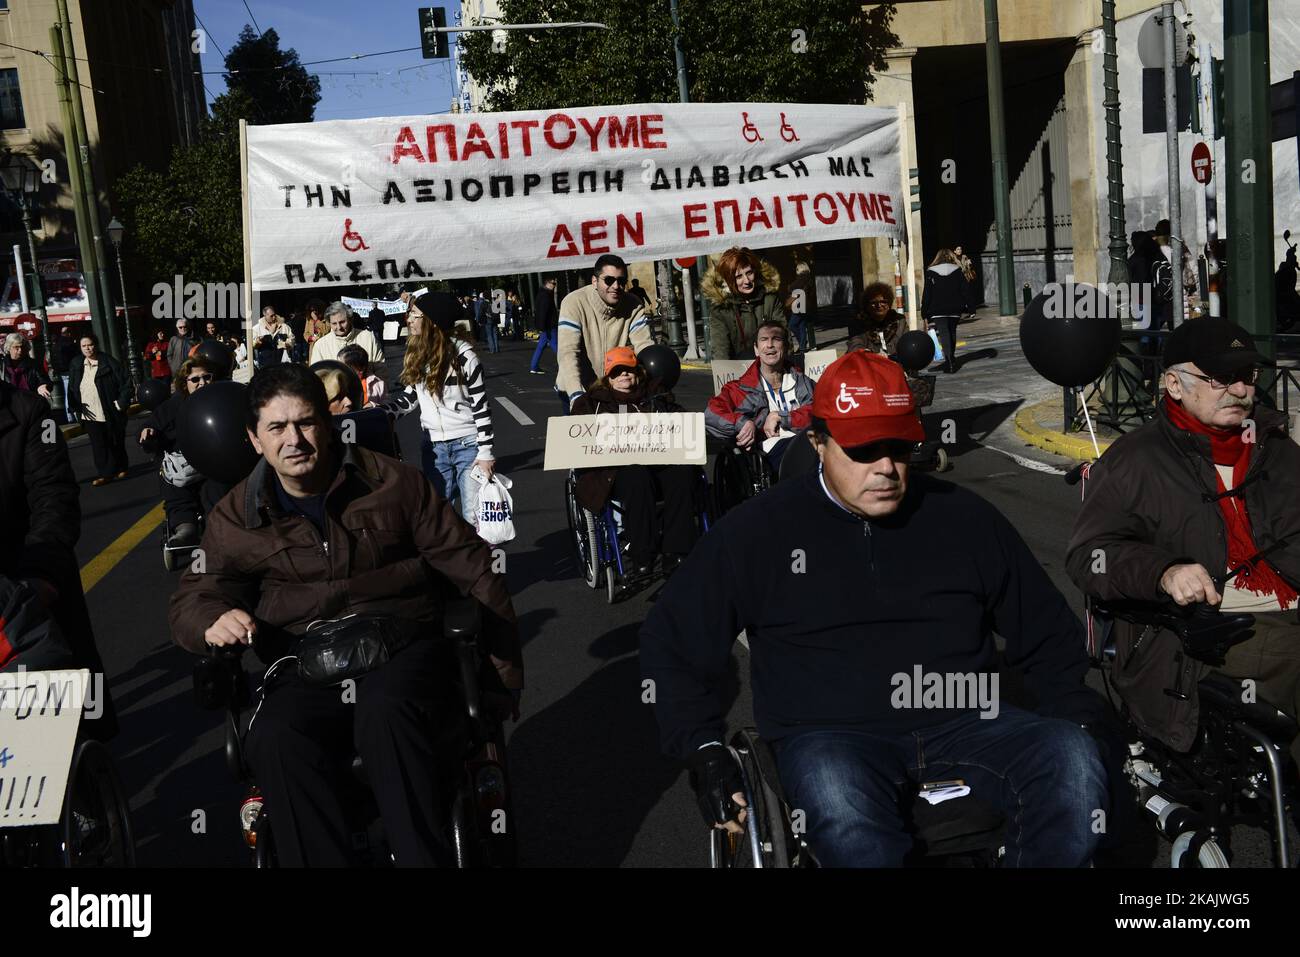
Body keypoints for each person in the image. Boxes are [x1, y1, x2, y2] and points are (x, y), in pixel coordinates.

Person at [641, 350, 1108, 867]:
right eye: (864, 450)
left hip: (968, 721)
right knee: (845, 812)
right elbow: (676, 642)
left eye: (899, 448)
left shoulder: (965, 519)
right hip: (830, 733)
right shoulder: (756, 533)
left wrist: (1072, 709)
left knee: (1072, 760)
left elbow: (1042, 627)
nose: (885, 468)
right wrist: (703, 748)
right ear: (817, 443)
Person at [168, 362, 523, 867]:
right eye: (276, 427)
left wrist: (502, 678)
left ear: (328, 423)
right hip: (302, 661)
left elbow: (475, 569)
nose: (294, 439)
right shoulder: (233, 516)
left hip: (400, 645)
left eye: (305, 422)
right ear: (254, 439)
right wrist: (211, 619)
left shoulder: (394, 483)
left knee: (386, 712)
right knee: (273, 737)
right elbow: (194, 595)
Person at [1067, 318, 1300, 765]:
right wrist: (1164, 571)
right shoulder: (1135, 459)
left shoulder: (1277, 448)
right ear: (1174, 384)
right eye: (1219, 378)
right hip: (1208, 635)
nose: (1238, 390)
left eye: (1247, 377)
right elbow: (1087, 557)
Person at [0, 378, 118, 737]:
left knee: (67, 733)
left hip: (27, 588)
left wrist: (41, 577)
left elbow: (54, 497)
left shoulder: (31, 414)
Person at [572, 347, 699, 579]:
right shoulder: (591, 402)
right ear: (607, 377)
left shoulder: (655, 394)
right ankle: (642, 553)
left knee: (682, 473)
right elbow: (577, 436)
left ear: (638, 372)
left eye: (628, 371)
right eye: (616, 372)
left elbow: (681, 418)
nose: (623, 376)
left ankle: (676, 550)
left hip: (659, 460)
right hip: (616, 467)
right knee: (636, 476)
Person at [380, 292, 495, 525]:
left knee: (475, 517)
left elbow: (481, 408)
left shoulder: (465, 357)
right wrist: (380, 415)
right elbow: (409, 399)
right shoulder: (418, 354)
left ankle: (478, 560)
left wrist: (486, 453)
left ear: (432, 321)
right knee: (439, 519)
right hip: (433, 448)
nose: (409, 320)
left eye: (414, 315)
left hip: (468, 447)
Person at [705, 320, 813, 475]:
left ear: (786, 347)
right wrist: (742, 423)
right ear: (756, 349)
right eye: (764, 340)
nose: (770, 345)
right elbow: (711, 413)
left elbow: (820, 412)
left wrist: (783, 417)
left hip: (807, 442)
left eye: (776, 339)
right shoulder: (738, 388)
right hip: (769, 453)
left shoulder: (802, 382)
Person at [139, 357, 218, 547]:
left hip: (213, 464)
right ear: (185, 382)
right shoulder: (174, 405)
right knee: (177, 490)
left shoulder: (219, 398)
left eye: (206, 377)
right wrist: (148, 433)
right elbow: (151, 425)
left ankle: (220, 527)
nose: (202, 383)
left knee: (218, 490)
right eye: (195, 379)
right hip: (182, 465)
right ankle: (185, 528)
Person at [557, 254, 653, 409]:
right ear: (595, 281)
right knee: (583, 433)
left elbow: (644, 346)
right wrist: (576, 395)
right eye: (609, 280)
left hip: (615, 390)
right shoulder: (573, 302)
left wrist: (652, 384)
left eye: (621, 281)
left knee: (620, 433)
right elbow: (568, 352)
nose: (615, 286)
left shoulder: (634, 304)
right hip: (578, 387)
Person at [67, 333, 131, 486]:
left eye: (90, 344)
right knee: (98, 444)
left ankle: (121, 466)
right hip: (88, 412)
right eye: (84, 346)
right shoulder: (77, 364)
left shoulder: (109, 362)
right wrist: (75, 406)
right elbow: (72, 386)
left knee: (115, 440)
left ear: (95, 345)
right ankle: (105, 473)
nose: (87, 348)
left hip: (109, 409)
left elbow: (126, 383)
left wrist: (122, 402)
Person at [702, 247, 788, 360]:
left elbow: (783, 337)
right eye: (739, 277)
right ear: (728, 280)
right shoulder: (721, 309)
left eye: (749, 273)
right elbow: (720, 350)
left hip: (772, 365)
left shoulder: (770, 299)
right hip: (739, 369)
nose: (747, 281)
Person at [921, 248, 973, 374]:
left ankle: (949, 360)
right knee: (952, 332)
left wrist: (924, 311)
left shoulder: (930, 272)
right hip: (955, 307)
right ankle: (951, 358)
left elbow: (927, 294)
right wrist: (971, 308)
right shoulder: (957, 271)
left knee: (944, 333)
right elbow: (965, 291)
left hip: (937, 308)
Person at [310, 301, 385, 376]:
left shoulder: (368, 337)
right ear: (329, 323)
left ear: (350, 319)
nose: (339, 327)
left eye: (342, 322)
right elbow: (316, 376)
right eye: (334, 323)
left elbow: (380, 369)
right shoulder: (320, 345)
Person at [848, 281, 904, 356]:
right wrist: (873, 355)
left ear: (889, 304)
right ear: (867, 306)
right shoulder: (858, 323)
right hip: (870, 364)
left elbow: (907, 344)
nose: (879, 305)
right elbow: (855, 347)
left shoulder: (899, 321)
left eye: (883, 302)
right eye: (874, 302)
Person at [2, 334, 52, 400]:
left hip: (30, 403)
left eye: (22, 347)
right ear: (9, 348)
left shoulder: (34, 364)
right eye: (16, 347)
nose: (20, 350)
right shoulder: (2, 365)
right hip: (7, 404)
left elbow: (43, 379)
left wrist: (42, 385)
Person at [528, 277, 559, 375]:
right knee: (555, 345)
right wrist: (542, 326)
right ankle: (565, 364)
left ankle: (534, 366)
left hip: (545, 325)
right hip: (549, 325)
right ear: (547, 283)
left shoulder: (542, 294)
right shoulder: (546, 296)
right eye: (552, 283)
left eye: (555, 283)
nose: (554, 285)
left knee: (541, 346)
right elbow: (543, 312)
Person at [54, 325, 80, 422]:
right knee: (73, 392)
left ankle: (70, 416)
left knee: (66, 393)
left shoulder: (56, 345)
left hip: (62, 372)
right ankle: (74, 414)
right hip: (71, 371)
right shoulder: (70, 344)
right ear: (69, 333)